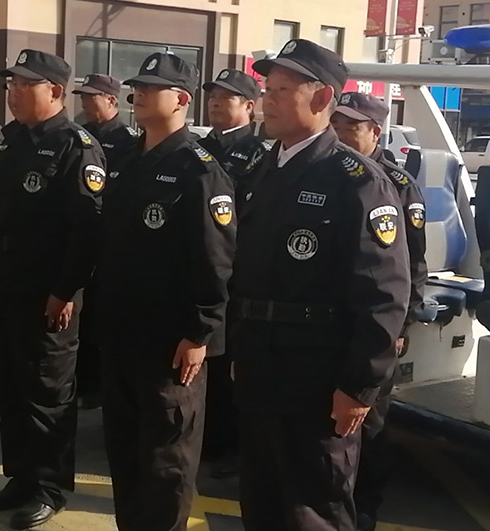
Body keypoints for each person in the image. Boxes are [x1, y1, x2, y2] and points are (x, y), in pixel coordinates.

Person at [229, 39, 411, 530]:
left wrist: (359, 386)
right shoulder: (263, 169)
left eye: (282, 90)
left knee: (314, 508)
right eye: (267, 89)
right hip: (262, 367)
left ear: (323, 97)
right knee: (262, 500)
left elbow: (384, 295)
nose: (268, 100)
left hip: (317, 377)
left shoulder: (356, 181)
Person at [96, 52, 237, 531]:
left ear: (180, 100)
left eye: (152, 88)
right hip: (121, 332)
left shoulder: (200, 170)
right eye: (138, 87)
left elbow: (216, 260)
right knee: (124, 449)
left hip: (169, 342)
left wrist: (201, 332)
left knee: (166, 458)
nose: (139, 95)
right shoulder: (126, 160)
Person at [0, 49, 105, 529]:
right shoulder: (12, 140)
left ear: (54, 91)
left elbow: (86, 232)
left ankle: (49, 487)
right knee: (10, 388)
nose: (13, 93)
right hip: (5, 285)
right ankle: (20, 477)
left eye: (24, 85)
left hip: (46, 293)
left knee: (46, 394)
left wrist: (66, 290)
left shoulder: (77, 147)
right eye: (10, 84)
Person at [332, 92, 428, 531]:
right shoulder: (330, 173)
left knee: (371, 416)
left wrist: (401, 324)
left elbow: (413, 264)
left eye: (351, 128)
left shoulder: (396, 184)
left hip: (380, 319)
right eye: (336, 126)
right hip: (335, 316)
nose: (341, 135)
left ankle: (365, 503)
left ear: (375, 131)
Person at [197, 68, 269, 477]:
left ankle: (227, 447)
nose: (216, 103)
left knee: (229, 365)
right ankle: (205, 439)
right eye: (213, 96)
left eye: (226, 97)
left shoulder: (258, 153)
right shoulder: (200, 147)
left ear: (249, 106)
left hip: (236, 272)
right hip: (203, 265)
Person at [70, 73, 138, 410]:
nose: (85, 102)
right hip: (82, 234)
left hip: (107, 238)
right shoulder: (79, 135)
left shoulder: (125, 141)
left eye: (91, 96)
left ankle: (95, 385)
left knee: (98, 315)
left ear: (111, 100)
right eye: (83, 96)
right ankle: (82, 379)